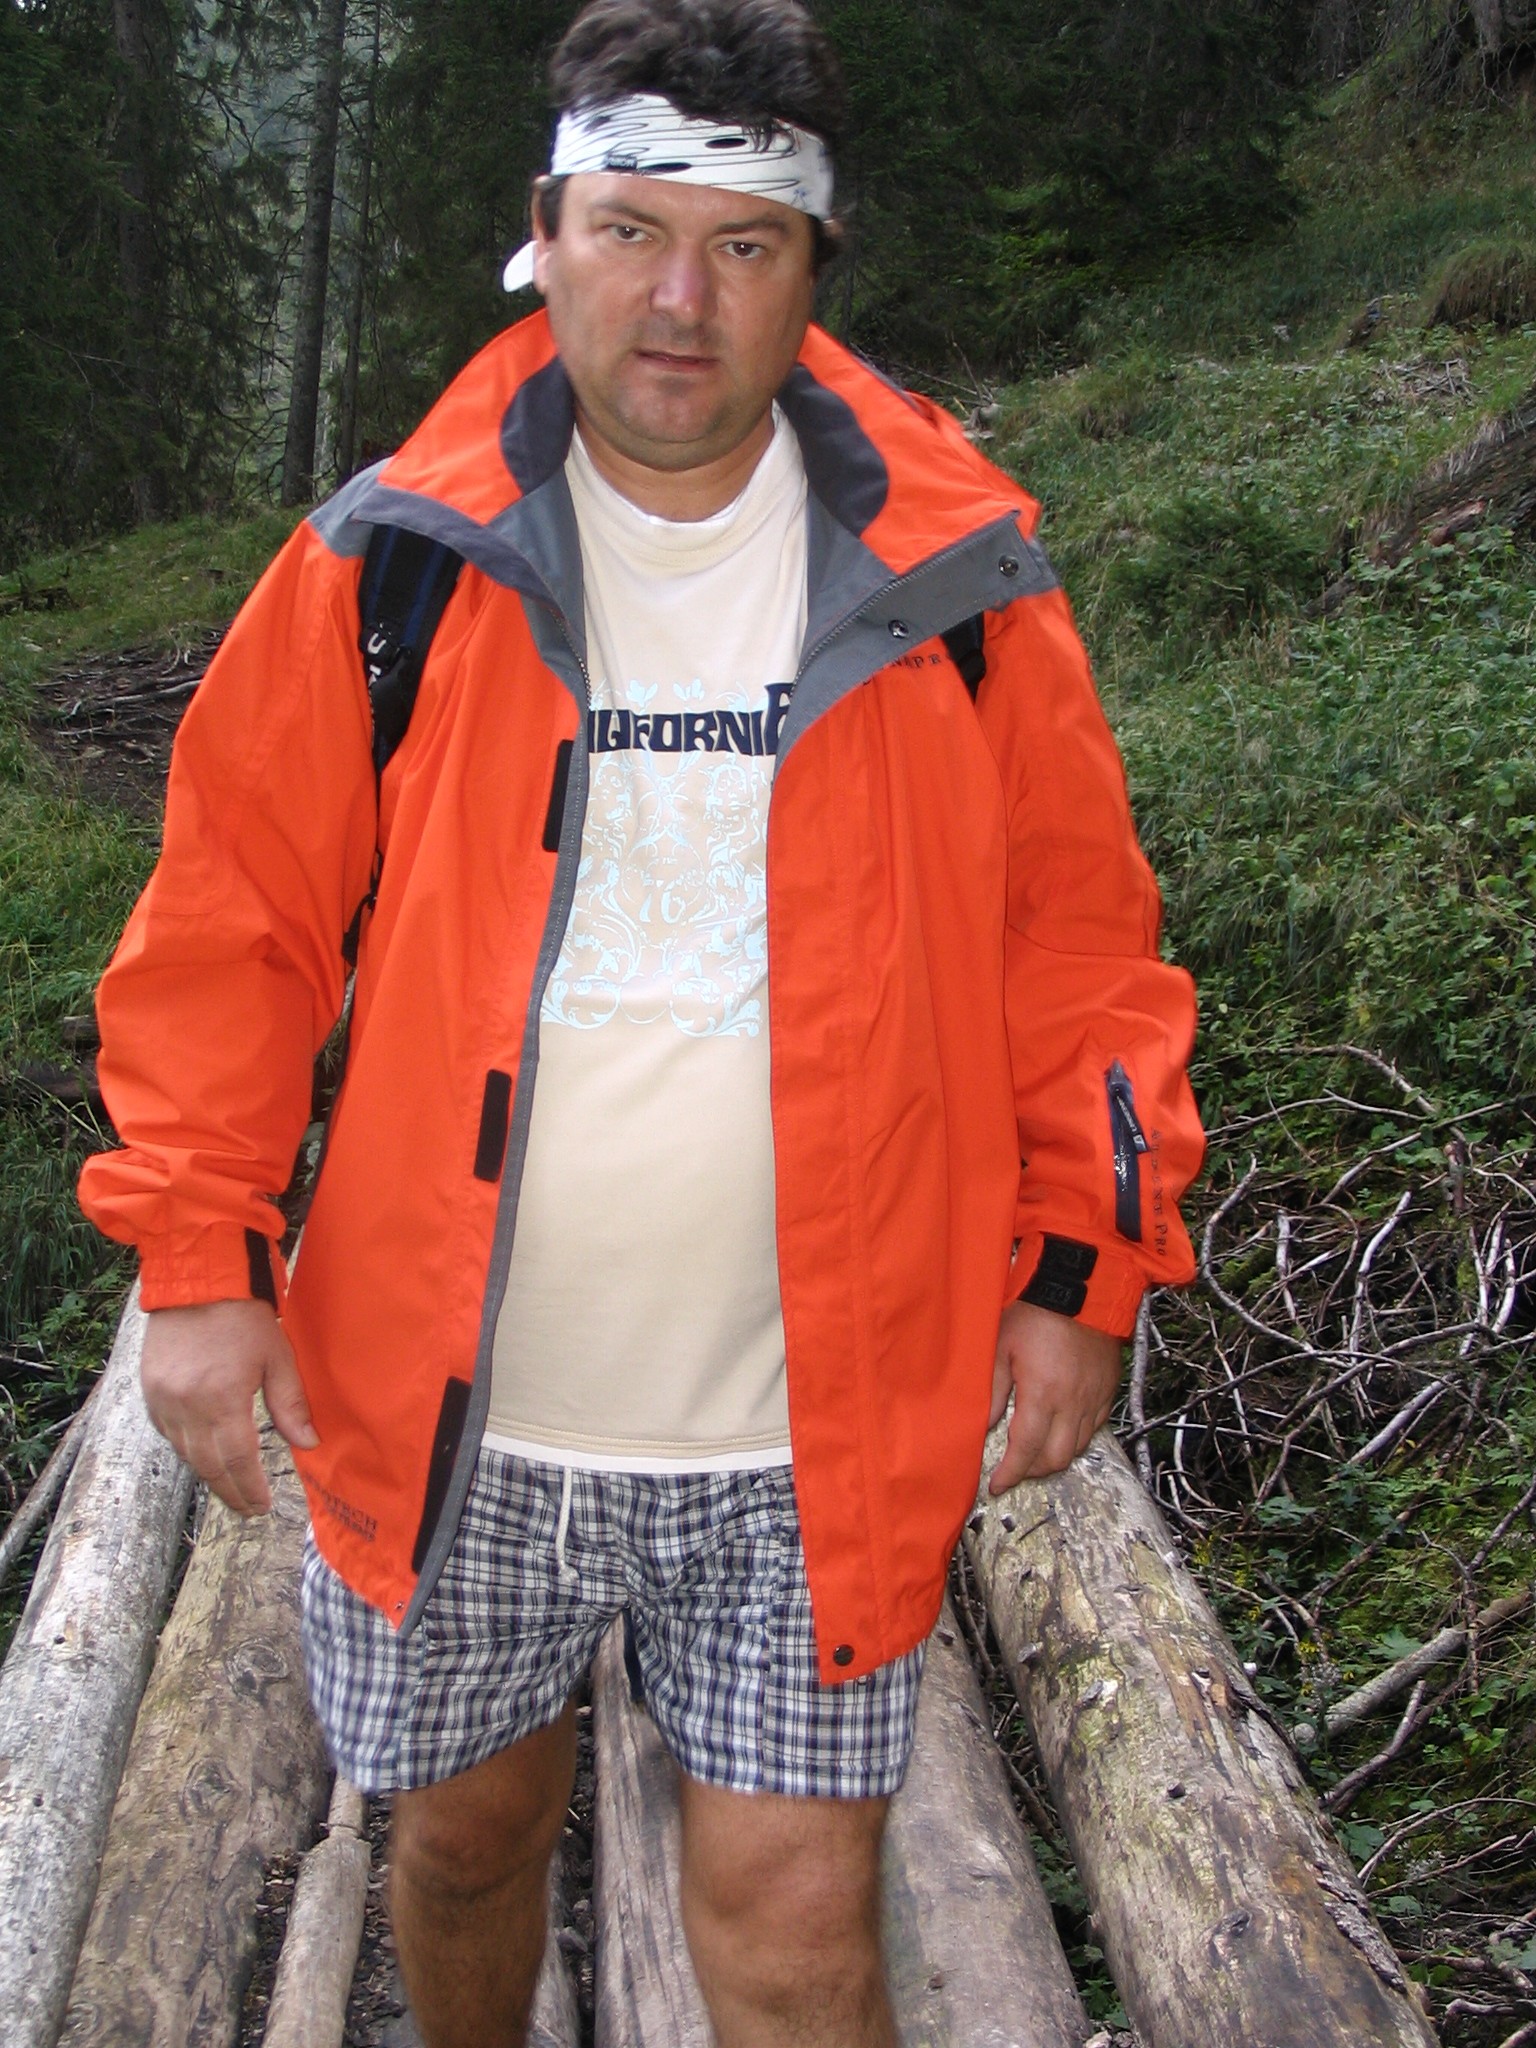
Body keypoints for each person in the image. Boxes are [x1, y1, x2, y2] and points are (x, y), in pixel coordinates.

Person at [78, 2, 1204, 2042]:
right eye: (630, 232)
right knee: (464, 1844)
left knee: (796, 1927)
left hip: (815, 1414)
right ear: (547, 236)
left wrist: (1082, 1269)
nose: (681, 301)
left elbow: (1084, 952)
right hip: (452, 1404)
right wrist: (197, 1259)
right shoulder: (392, 565)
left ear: (812, 267)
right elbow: (231, 926)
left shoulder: (958, 583)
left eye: (743, 246)